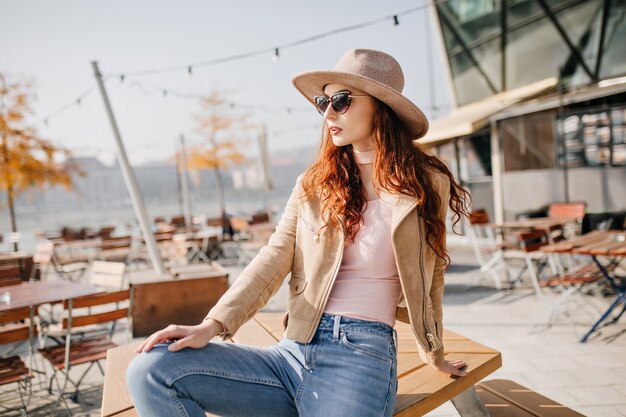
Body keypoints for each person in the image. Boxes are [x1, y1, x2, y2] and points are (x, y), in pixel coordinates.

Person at [126, 48, 471, 417]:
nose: (327, 114)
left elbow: (431, 277)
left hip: (361, 359)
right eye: (323, 102)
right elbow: (274, 256)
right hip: (291, 351)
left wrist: (434, 355)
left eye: (340, 101)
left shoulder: (426, 184)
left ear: (381, 106)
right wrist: (212, 325)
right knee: (152, 369)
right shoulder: (315, 184)